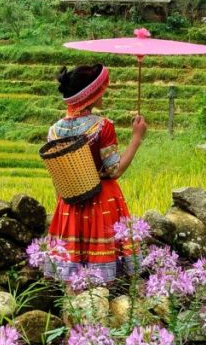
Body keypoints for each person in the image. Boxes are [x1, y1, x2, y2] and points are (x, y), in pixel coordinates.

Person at [46, 63, 147, 282]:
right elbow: (114, 170)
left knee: (72, 277)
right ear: (91, 94)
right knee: (104, 279)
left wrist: (63, 204)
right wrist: (136, 138)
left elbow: (58, 176)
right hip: (101, 199)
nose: (104, 93)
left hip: (68, 203)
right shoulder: (103, 126)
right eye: (101, 89)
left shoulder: (54, 131)